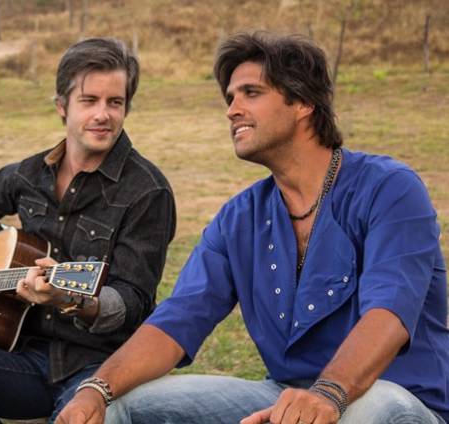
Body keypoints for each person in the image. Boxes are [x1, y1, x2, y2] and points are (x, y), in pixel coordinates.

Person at [56, 32, 449, 424]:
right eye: (230, 98)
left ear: (303, 101)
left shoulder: (389, 189)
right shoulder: (239, 218)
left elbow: (388, 313)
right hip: (283, 397)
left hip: (393, 399)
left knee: (376, 408)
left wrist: (327, 394)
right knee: (119, 404)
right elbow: (177, 320)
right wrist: (96, 389)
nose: (232, 110)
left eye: (251, 93)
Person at [0, 37, 176, 424]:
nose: (103, 114)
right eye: (89, 100)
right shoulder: (32, 174)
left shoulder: (147, 192)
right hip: (24, 356)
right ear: (61, 106)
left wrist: (70, 298)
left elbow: (131, 301)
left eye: (115, 102)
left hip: (100, 366)